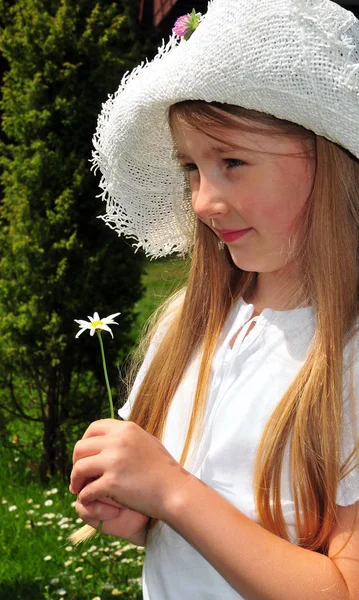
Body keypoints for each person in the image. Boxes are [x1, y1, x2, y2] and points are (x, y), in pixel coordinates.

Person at [69, 0, 359, 598]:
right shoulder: (190, 323)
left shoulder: (346, 358)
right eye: (192, 170)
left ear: (330, 162)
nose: (202, 202)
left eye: (232, 161)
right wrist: (143, 513)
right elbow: (197, 512)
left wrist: (173, 493)